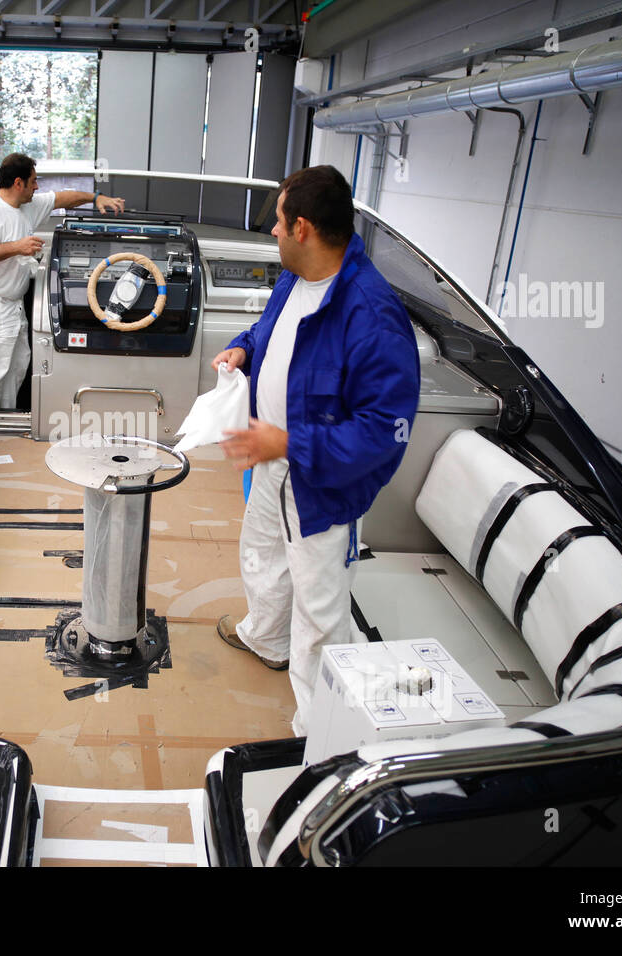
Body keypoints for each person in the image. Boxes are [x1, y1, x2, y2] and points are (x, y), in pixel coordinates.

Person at [210, 165, 421, 736]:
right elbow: (268, 333)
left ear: (301, 227)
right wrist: (240, 351)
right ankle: (266, 638)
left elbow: (383, 432)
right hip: (273, 462)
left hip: (321, 483)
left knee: (321, 612)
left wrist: (289, 441)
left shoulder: (372, 315)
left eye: (277, 223)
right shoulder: (295, 277)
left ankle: (322, 730)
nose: (271, 234)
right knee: (262, 555)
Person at [0, 153, 126, 408]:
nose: (37, 187)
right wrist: (18, 247)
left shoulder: (28, 206)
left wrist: (96, 198)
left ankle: (3, 423)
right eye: (34, 181)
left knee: (15, 368)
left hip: (11, 303)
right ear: (19, 183)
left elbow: (64, 198)